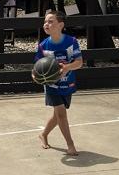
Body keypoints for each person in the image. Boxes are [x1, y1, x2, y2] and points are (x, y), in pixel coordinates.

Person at [33, 9, 84, 156]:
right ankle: (71, 145)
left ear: (60, 25)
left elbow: (79, 62)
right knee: (61, 114)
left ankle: (43, 134)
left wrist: (67, 67)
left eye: (50, 21)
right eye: (45, 22)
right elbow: (37, 66)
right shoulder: (43, 46)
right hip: (51, 85)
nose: (46, 24)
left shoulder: (71, 42)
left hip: (68, 83)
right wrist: (34, 75)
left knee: (57, 116)